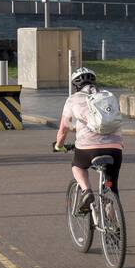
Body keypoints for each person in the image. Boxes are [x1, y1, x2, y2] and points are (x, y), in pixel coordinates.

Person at [54, 67, 123, 210]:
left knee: (78, 166)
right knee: (110, 185)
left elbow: (63, 129)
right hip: (115, 148)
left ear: (75, 85)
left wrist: (59, 145)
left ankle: (86, 191)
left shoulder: (73, 99)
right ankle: (113, 222)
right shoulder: (108, 95)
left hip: (88, 148)